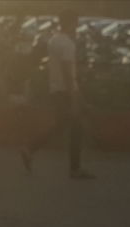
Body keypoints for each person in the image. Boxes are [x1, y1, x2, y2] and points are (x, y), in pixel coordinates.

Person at [20, 12, 94, 180]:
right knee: (76, 128)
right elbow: (68, 72)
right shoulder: (67, 44)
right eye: (76, 23)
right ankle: (74, 168)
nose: (77, 27)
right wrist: (75, 96)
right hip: (65, 91)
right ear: (72, 23)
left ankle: (30, 148)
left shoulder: (54, 40)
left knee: (62, 125)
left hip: (55, 89)